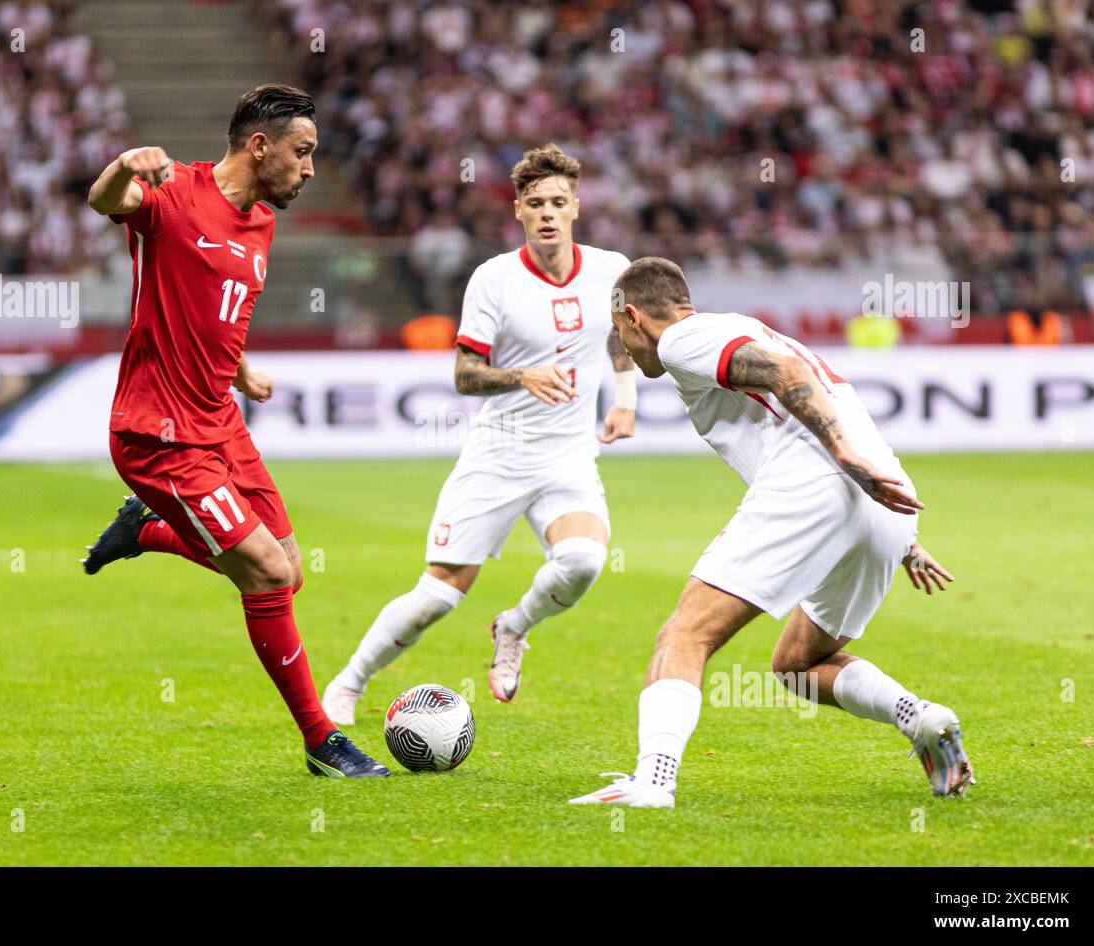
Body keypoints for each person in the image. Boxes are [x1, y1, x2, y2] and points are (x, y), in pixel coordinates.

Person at [570, 257, 972, 808]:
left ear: (634, 317)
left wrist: (840, 454)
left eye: (621, 334)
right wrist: (903, 536)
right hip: (882, 503)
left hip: (821, 479)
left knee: (685, 636)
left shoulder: (683, 340)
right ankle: (922, 719)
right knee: (797, 666)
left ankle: (653, 782)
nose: (628, 350)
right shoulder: (731, 329)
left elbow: (788, 374)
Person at [80, 84, 389, 779]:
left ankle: (147, 531)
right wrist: (127, 163)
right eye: (302, 153)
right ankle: (321, 741)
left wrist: (242, 369)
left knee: (288, 571)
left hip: (219, 420)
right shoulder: (173, 194)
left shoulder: (260, 222)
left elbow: (216, 303)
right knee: (267, 574)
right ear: (260, 146)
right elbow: (104, 202)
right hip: (159, 433)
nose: (310, 169)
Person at [322, 144, 638, 724]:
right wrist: (522, 374)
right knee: (436, 597)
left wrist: (624, 400)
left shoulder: (610, 268)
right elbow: (465, 374)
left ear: (577, 207)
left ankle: (514, 626)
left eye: (558, 202)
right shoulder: (493, 280)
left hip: (569, 456)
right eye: (536, 202)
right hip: (499, 454)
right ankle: (349, 683)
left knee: (584, 562)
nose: (547, 212)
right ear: (517, 209)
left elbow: (620, 336)